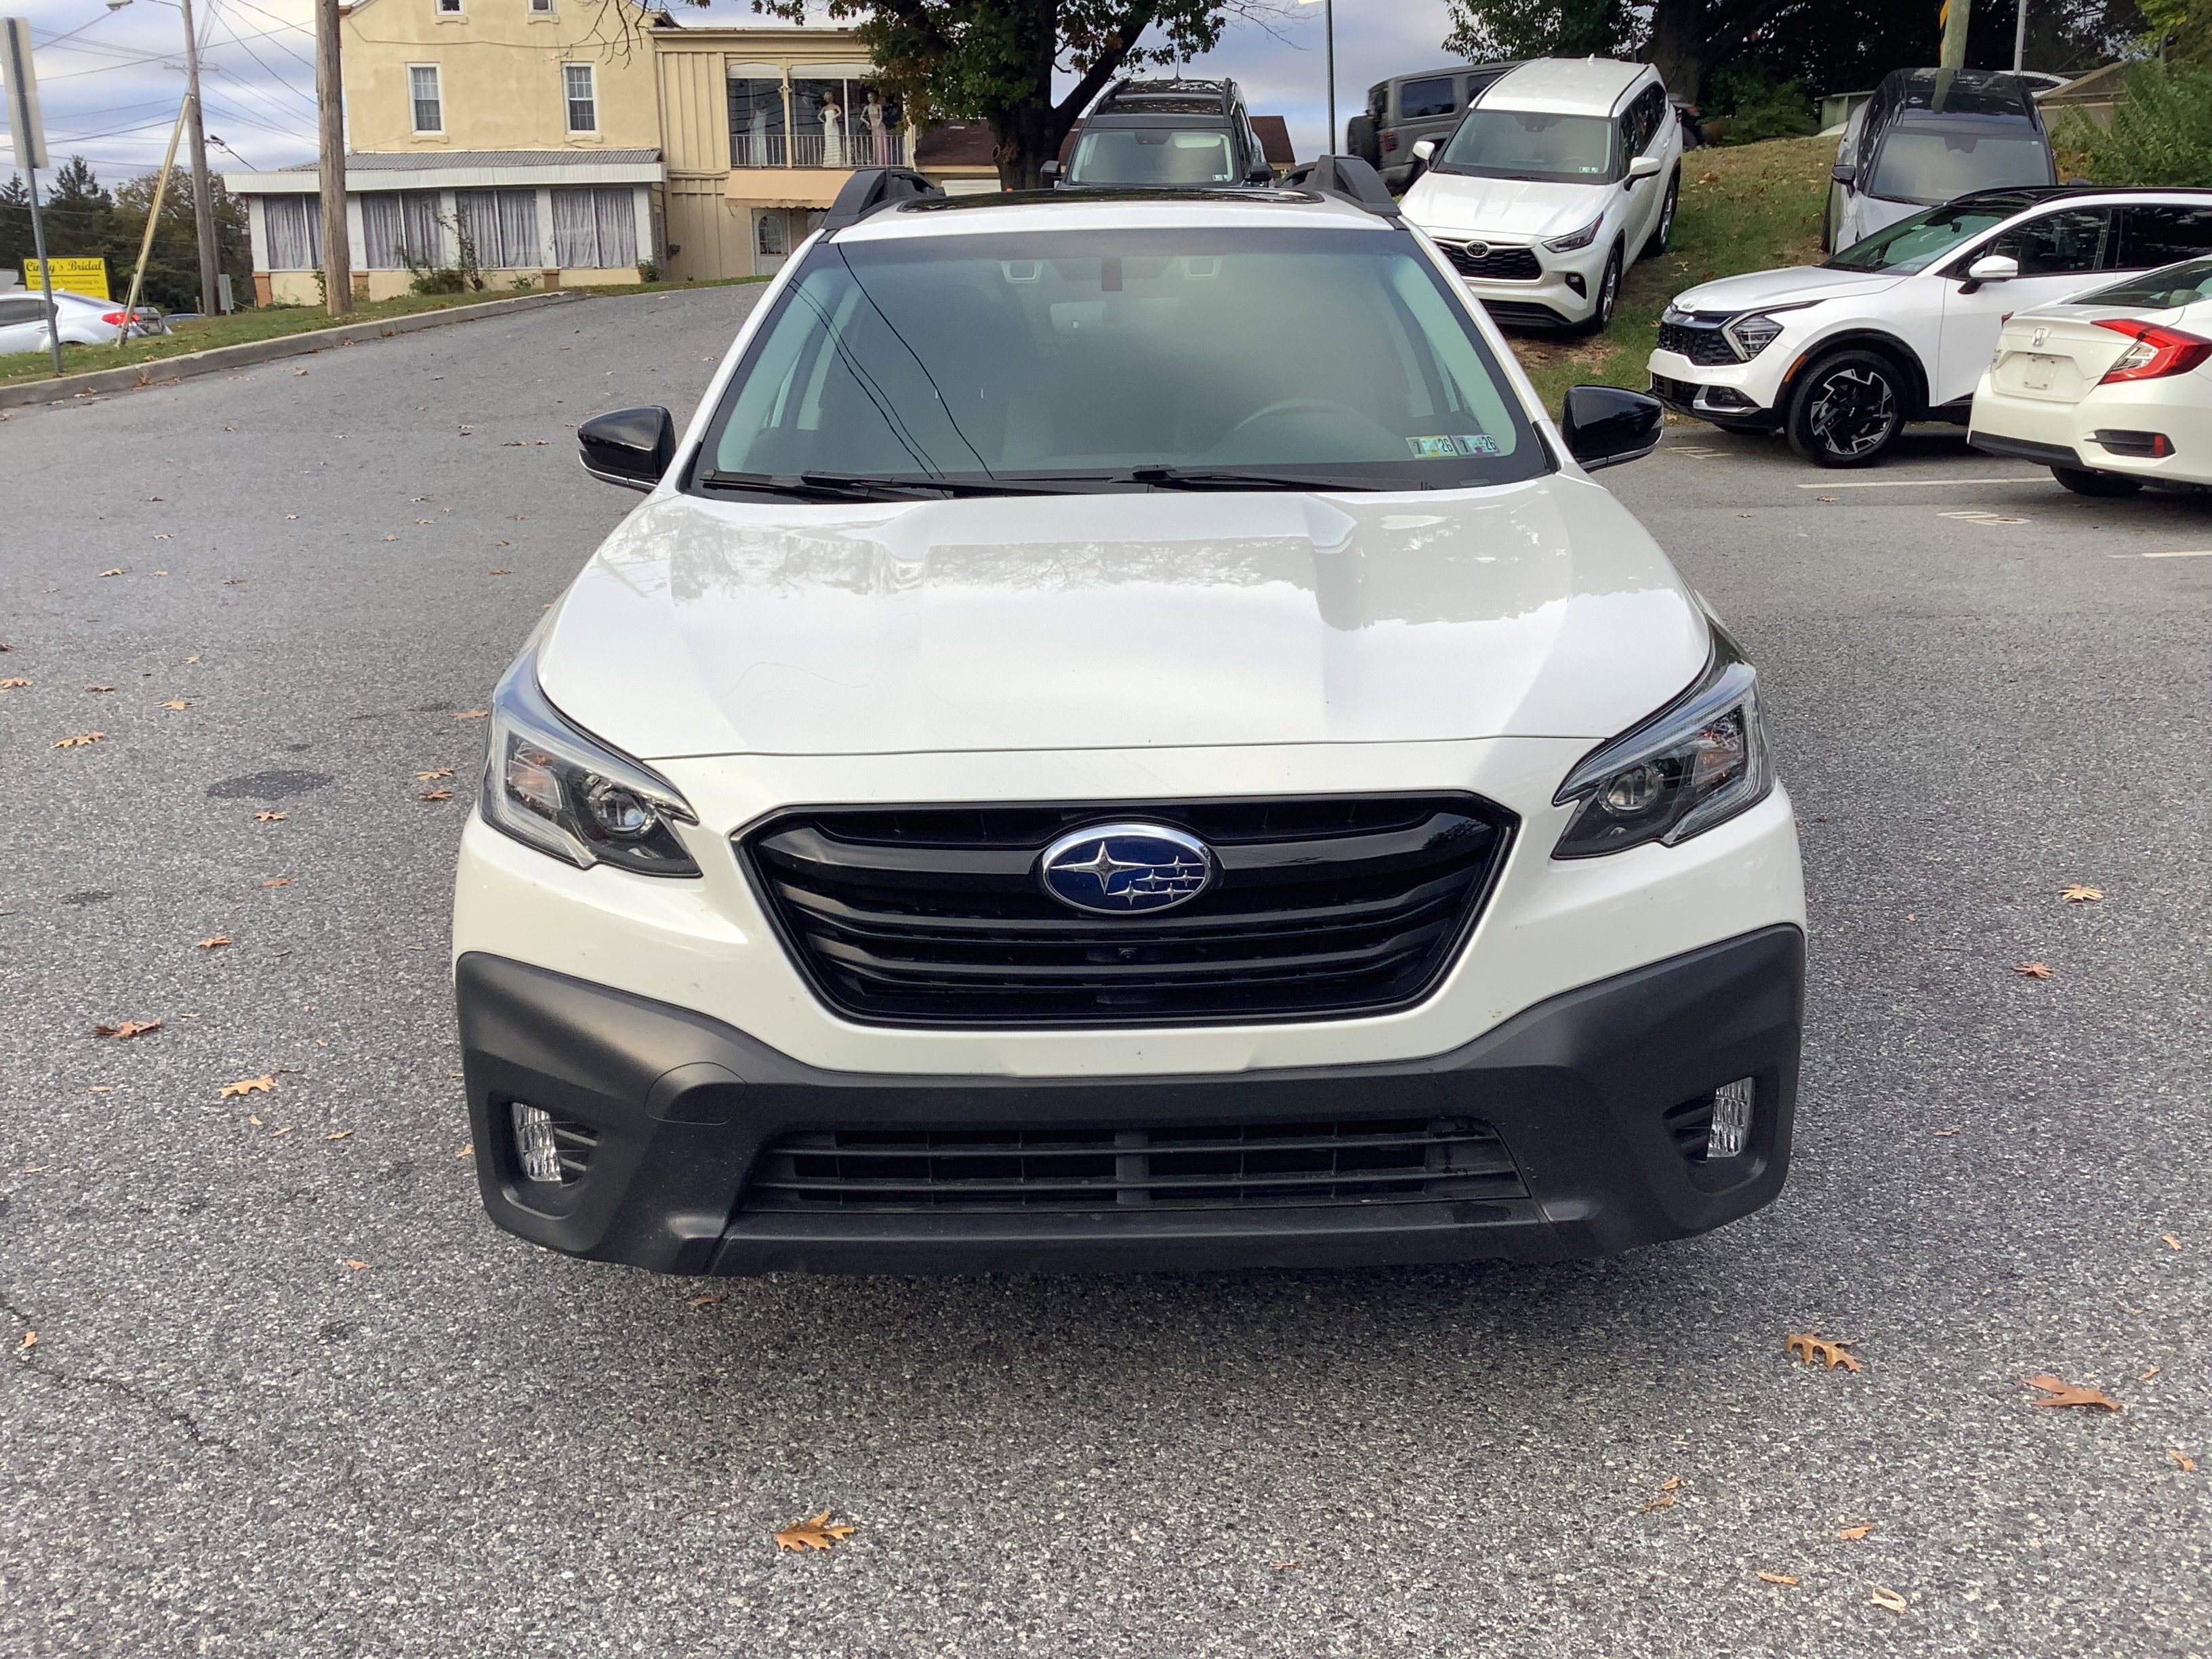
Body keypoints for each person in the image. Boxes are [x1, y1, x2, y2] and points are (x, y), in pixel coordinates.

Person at [862, 89, 887, 163]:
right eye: (869, 98)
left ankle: (884, 161)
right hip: (873, 127)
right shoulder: (867, 107)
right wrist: (868, 123)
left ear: (874, 97)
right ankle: (878, 161)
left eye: (871, 97)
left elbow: (881, 117)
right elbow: (862, 117)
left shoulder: (878, 106)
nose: (870, 99)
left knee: (881, 143)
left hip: (879, 126)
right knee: (876, 145)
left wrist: (878, 124)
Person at [820, 94, 844, 168]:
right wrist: (824, 122)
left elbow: (840, 113)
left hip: (833, 124)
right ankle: (829, 161)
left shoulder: (836, 106)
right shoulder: (825, 108)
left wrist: (834, 117)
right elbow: (819, 116)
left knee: (835, 141)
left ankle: (837, 161)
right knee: (829, 142)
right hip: (828, 125)